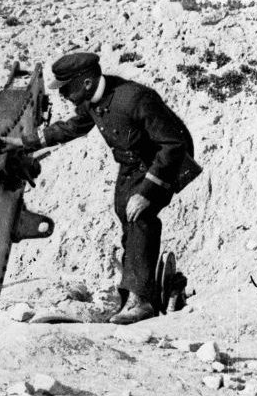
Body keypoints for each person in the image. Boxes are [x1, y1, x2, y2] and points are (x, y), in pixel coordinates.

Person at [18, 52, 195, 324]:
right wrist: (26, 143)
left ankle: (142, 300)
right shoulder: (92, 99)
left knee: (140, 215)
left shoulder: (135, 98)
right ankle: (139, 292)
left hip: (163, 162)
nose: (63, 94)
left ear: (87, 83)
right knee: (125, 214)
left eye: (66, 88)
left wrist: (148, 191)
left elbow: (173, 144)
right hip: (131, 165)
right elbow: (74, 127)